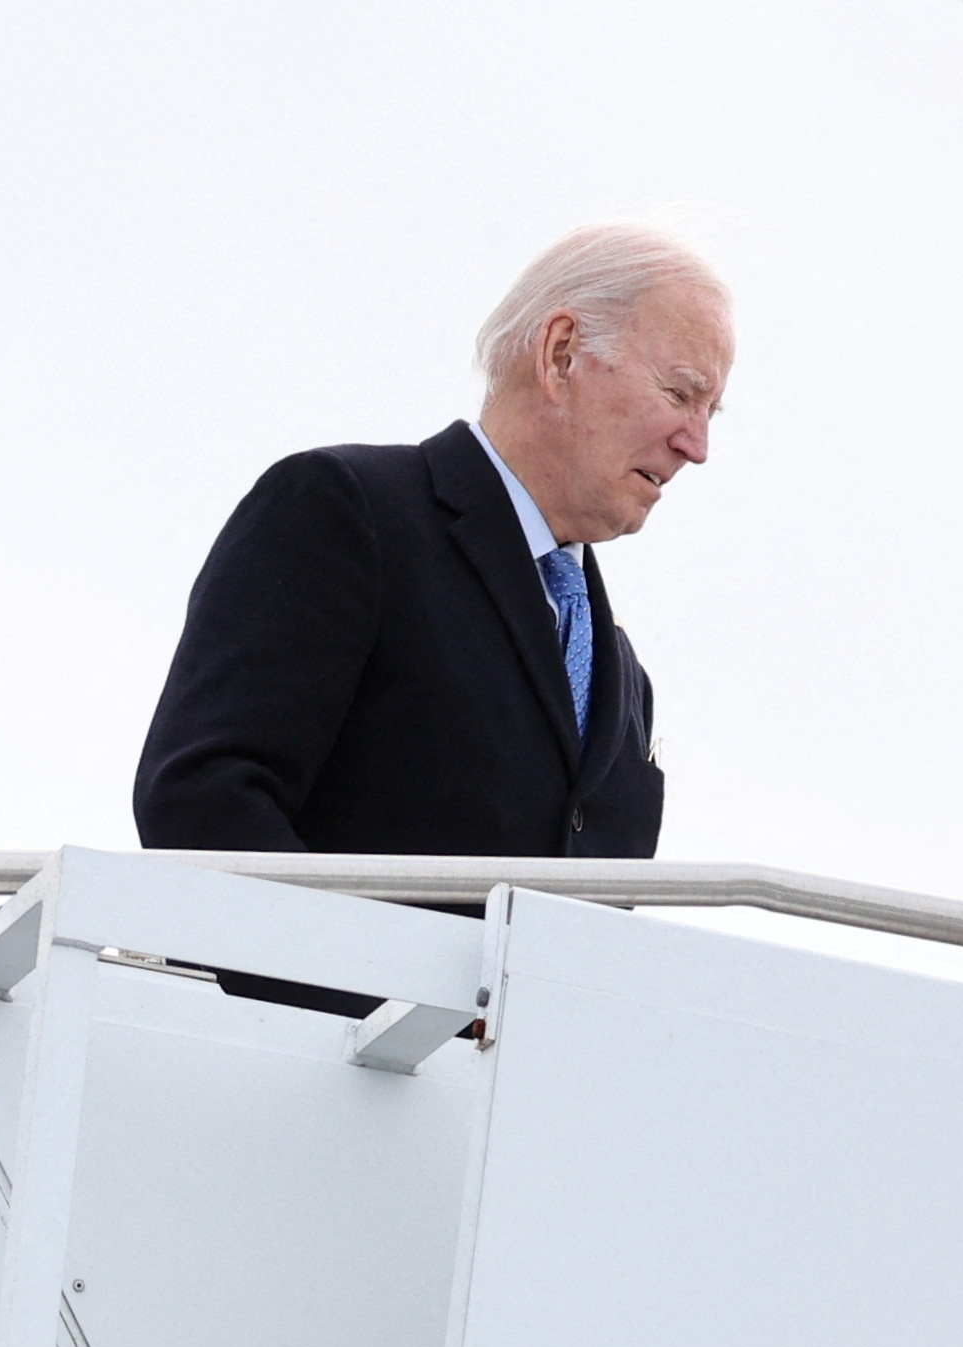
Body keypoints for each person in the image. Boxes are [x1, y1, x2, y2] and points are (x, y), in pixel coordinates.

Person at [133, 223, 733, 1008]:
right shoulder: (347, 510)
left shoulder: (623, 681)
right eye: (681, 392)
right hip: (309, 1085)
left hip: (505, 1113)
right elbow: (204, 801)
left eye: (713, 410)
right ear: (560, 355)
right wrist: (387, 1021)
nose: (697, 445)